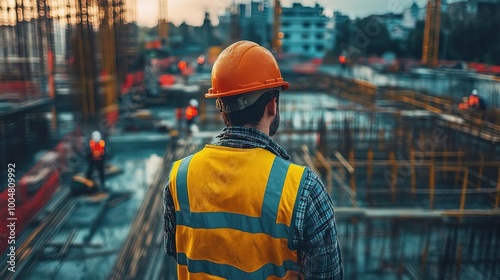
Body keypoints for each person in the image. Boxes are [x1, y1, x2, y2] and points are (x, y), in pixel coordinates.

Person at [163, 40, 343, 279]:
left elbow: (174, 249)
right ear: (272, 106)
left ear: (222, 107)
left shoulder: (180, 176)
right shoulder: (303, 189)